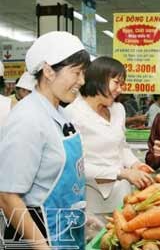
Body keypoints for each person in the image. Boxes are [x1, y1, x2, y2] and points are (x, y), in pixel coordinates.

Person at [0, 31, 90, 249]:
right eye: (77, 73)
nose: (82, 81)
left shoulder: (60, 113)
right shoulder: (28, 119)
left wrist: (80, 218)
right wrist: (41, 246)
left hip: (64, 231)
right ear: (49, 71)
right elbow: (7, 195)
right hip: (36, 235)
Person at [65, 56, 153, 219]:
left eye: (122, 84)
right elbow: (77, 165)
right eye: (116, 83)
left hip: (123, 196)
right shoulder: (73, 113)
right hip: (91, 200)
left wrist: (136, 165)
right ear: (99, 79)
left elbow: (122, 147)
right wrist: (122, 173)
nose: (120, 89)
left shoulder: (118, 109)